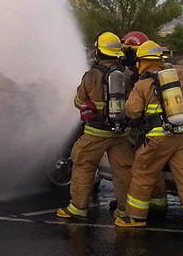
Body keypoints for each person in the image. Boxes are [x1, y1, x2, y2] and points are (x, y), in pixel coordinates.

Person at [115, 41, 183, 239]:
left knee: (143, 173)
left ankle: (135, 218)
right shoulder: (176, 83)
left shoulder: (142, 85)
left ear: (143, 62)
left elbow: (133, 111)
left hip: (158, 138)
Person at [56, 32, 135, 220]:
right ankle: (125, 210)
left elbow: (78, 101)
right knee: (124, 170)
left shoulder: (92, 75)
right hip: (121, 133)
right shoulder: (127, 74)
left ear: (99, 52)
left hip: (95, 132)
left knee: (83, 165)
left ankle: (78, 207)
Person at [120, 31, 168, 216]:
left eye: (127, 50)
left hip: (141, 128)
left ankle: (136, 211)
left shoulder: (134, 76)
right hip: (157, 128)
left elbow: (131, 107)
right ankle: (158, 202)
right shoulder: (163, 73)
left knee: (140, 169)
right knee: (153, 168)